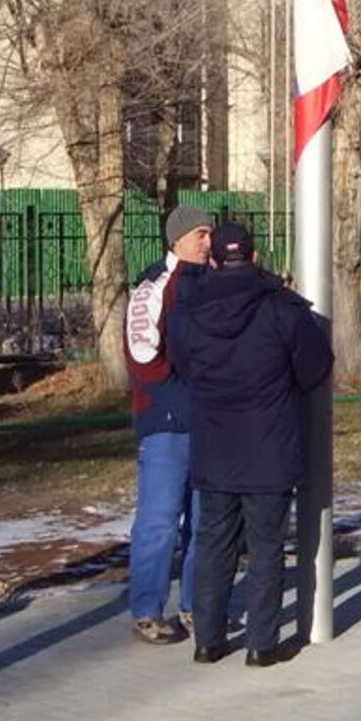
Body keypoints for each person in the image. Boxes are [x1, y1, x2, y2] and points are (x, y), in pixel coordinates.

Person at [170, 223, 332, 667]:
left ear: (215, 260)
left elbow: (182, 366)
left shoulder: (189, 312)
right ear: (256, 257)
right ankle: (261, 645)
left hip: (215, 446)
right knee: (265, 548)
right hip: (269, 446)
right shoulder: (281, 307)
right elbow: (315, 366)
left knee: (213, 544)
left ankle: (208, 639)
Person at [123, 204, 214, 644]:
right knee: (160, 520)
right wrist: (185, 396)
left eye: (210, 234)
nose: (207, 242)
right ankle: (147, 609)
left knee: (204, 522)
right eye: (200, 233)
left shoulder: (215, 281)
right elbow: (143, 357)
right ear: (177, 238)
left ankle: (197, 606)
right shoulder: (154, 285)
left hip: (210, 425)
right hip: (167, 425)